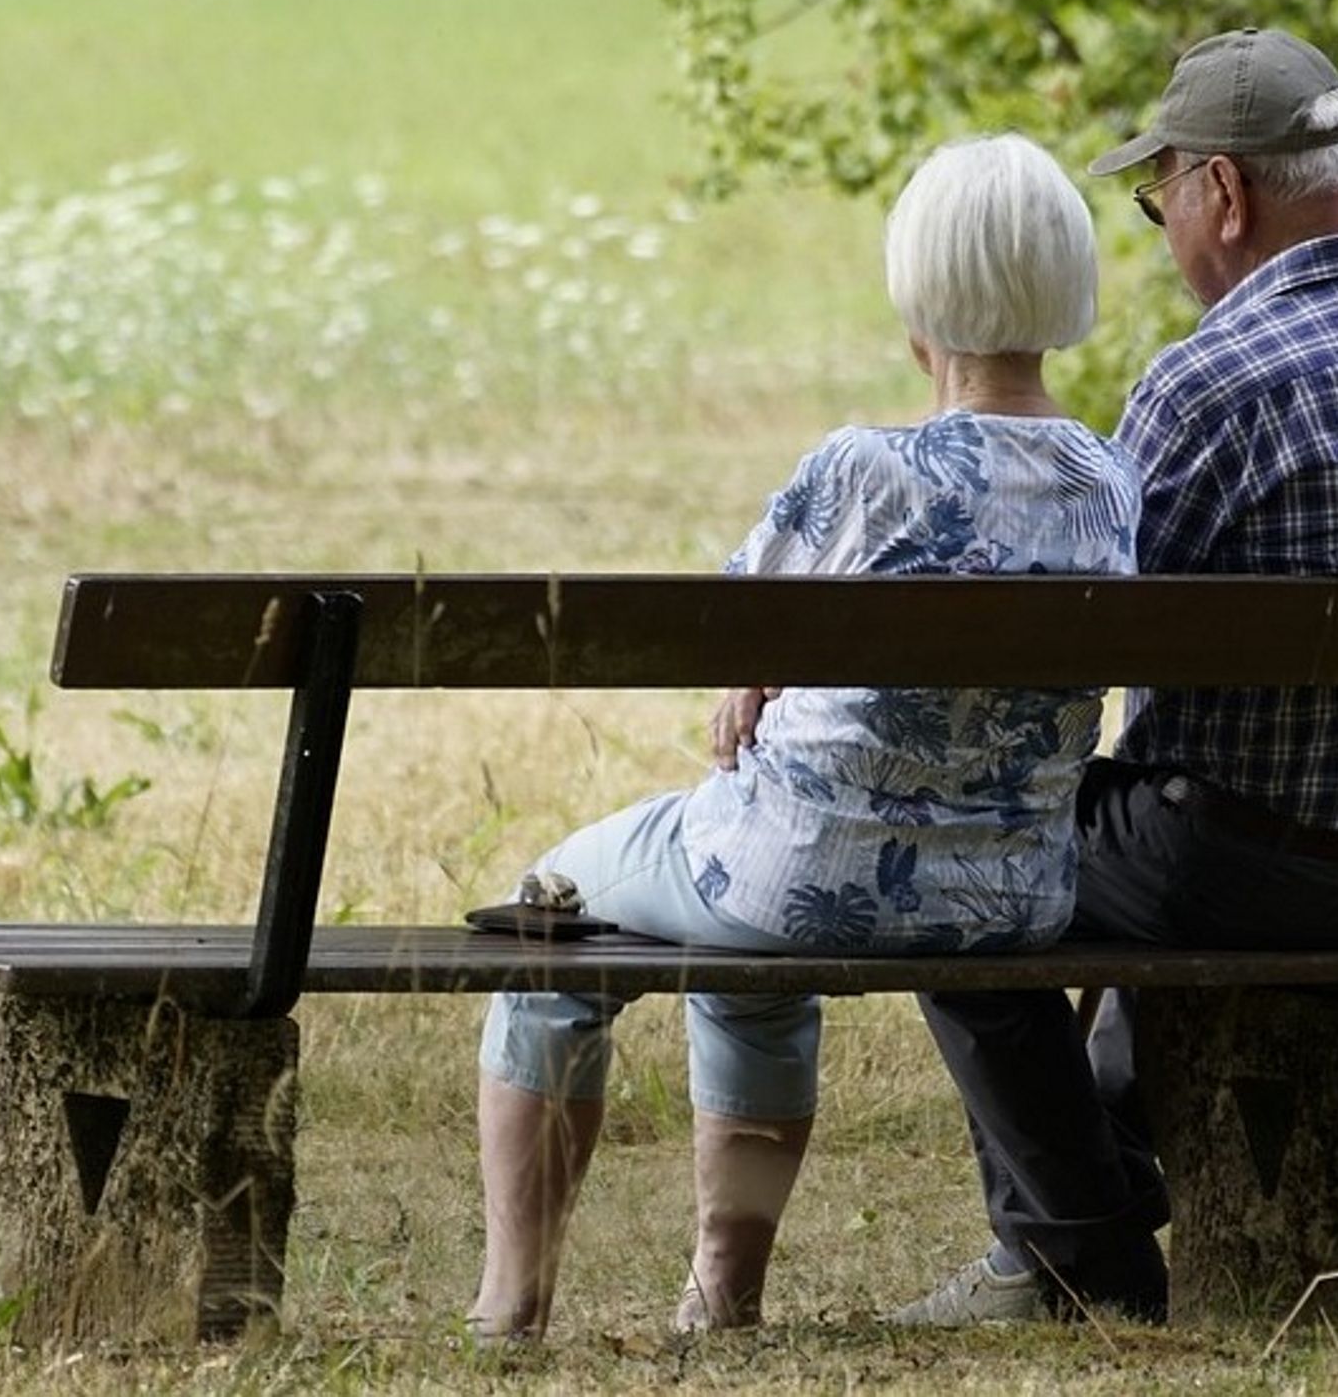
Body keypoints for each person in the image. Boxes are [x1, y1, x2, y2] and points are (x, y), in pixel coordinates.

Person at [893, 28, 1338, 1326]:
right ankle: (1096, 1192)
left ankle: (1075, 1248)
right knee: (1156, 821)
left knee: (951, 858)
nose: (1163, 235)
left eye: (1157, 207)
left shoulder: (1205, 385)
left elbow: (1085, 648)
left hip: (1240, 872)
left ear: (1220, 191)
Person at [466, 133, 1141, 1339]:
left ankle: (510, 1305)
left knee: (550, 910)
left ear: (917, 294)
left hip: (796, 875)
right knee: (738, 949)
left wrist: (754, 674)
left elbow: (726, 625)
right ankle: (722, 1298)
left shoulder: (864, 470)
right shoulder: (1109, 481)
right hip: (1011, 897)